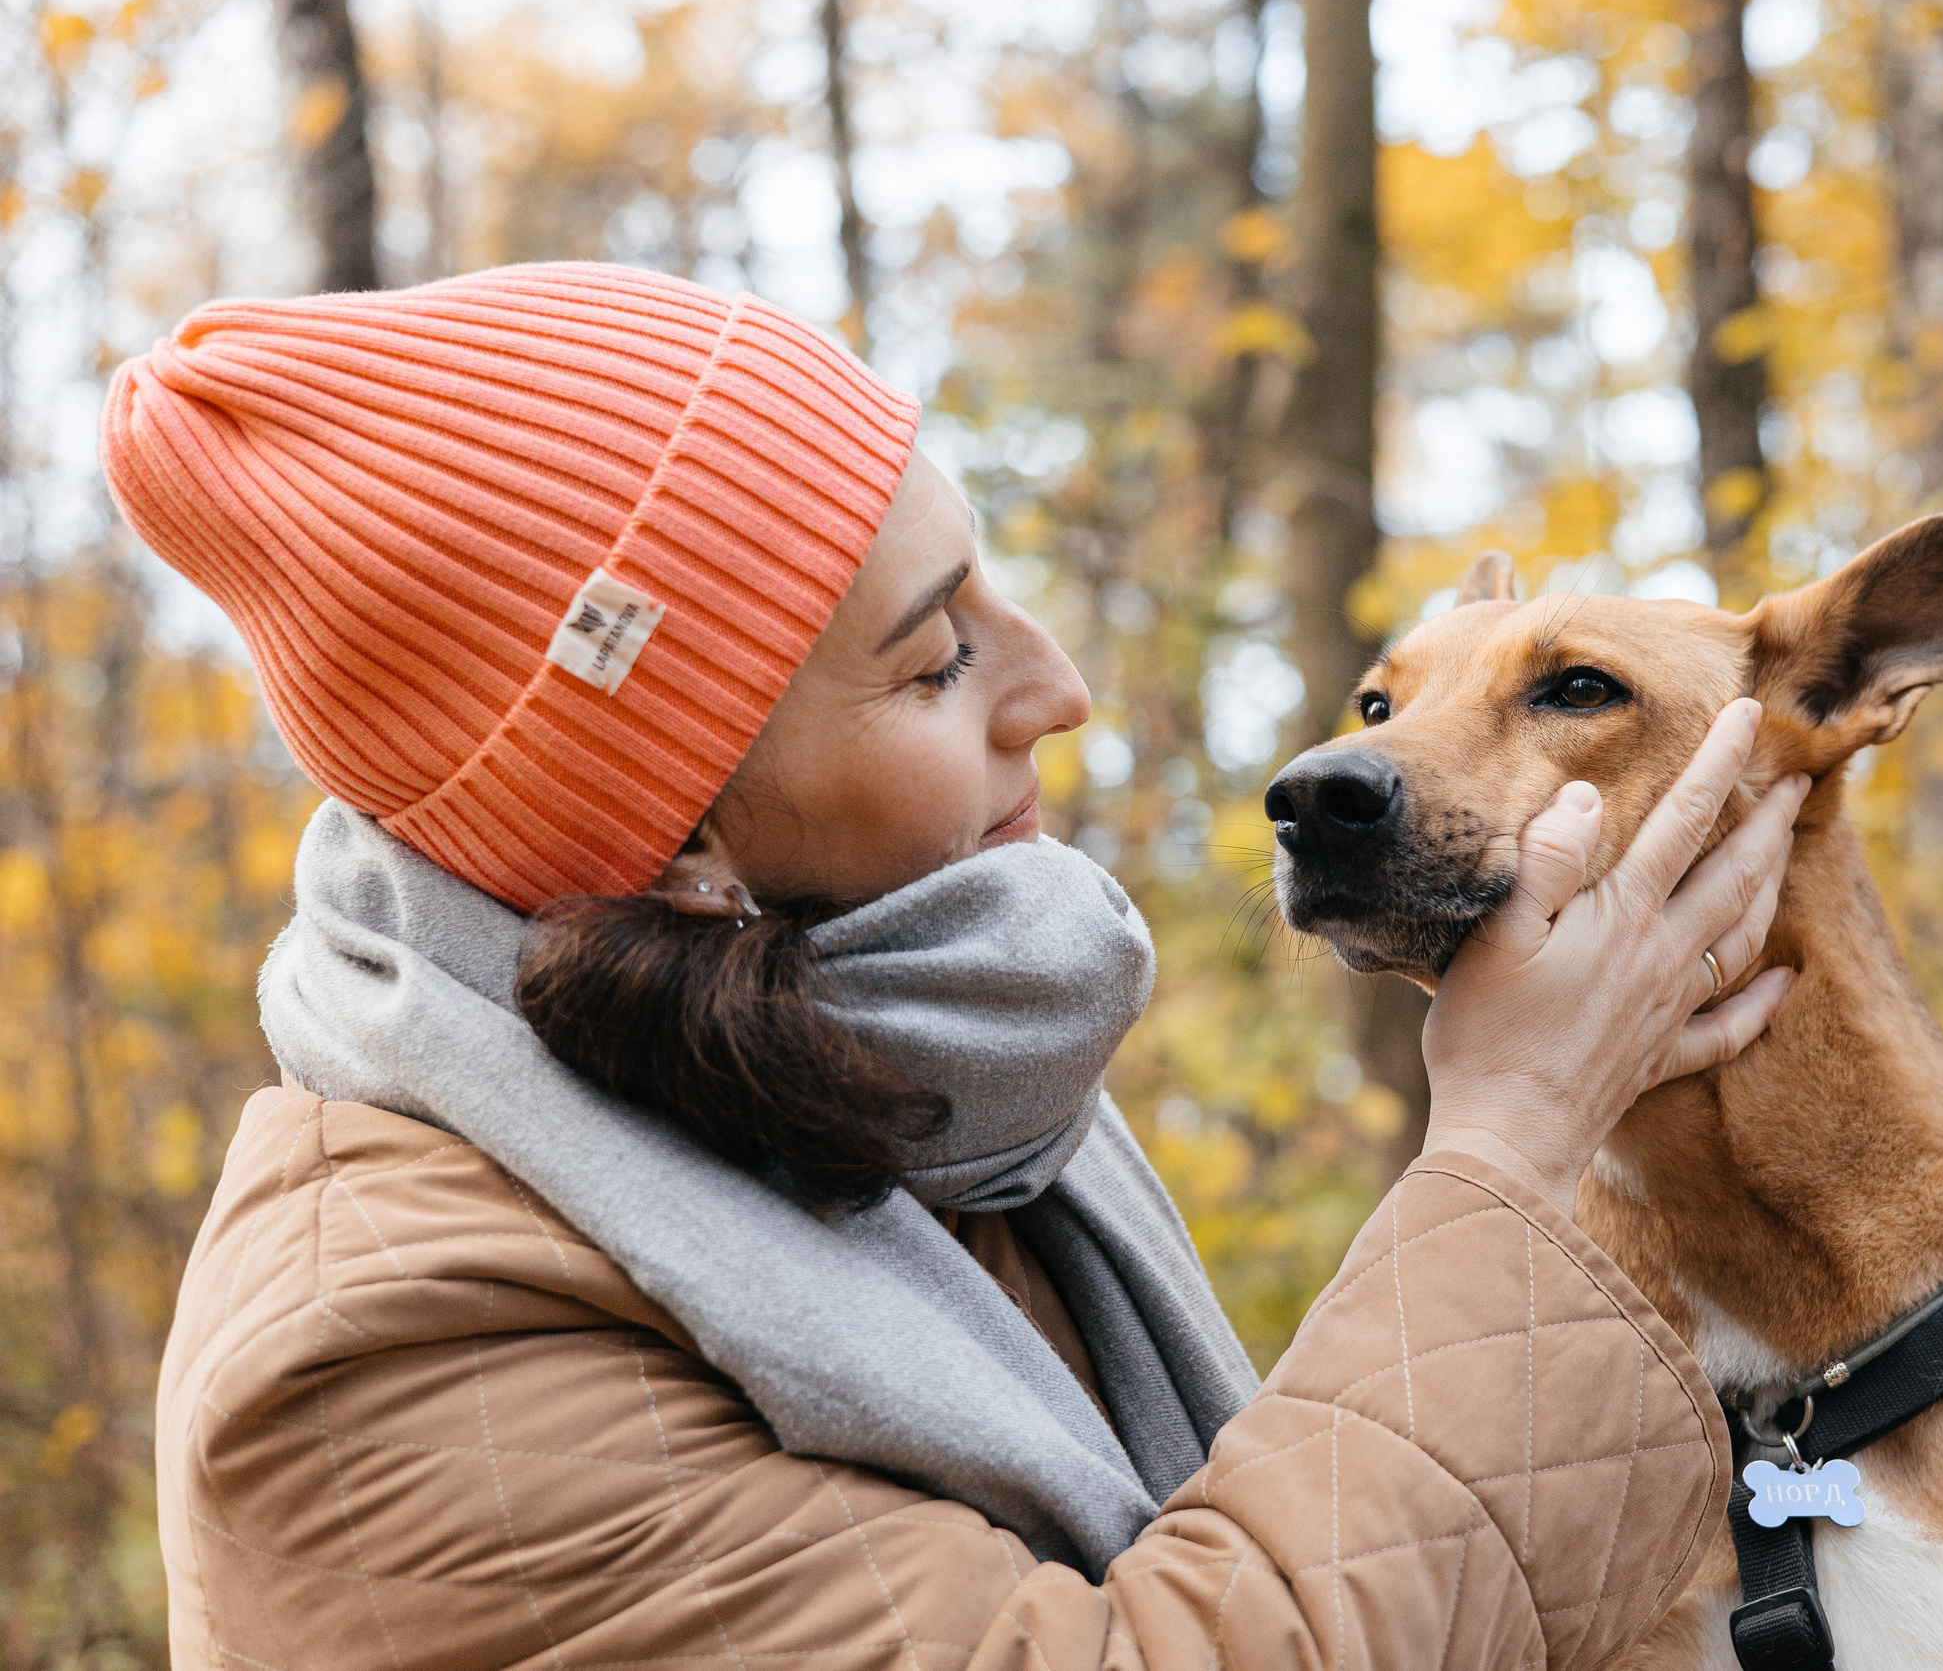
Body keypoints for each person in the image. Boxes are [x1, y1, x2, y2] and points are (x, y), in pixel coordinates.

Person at [105, 263, 1804, 1670]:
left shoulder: (916, 1075)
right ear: (678, 844)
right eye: (935, 662)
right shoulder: (383, 1365)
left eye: (992, 590)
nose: (1056, 687)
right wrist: (1515, 1141)